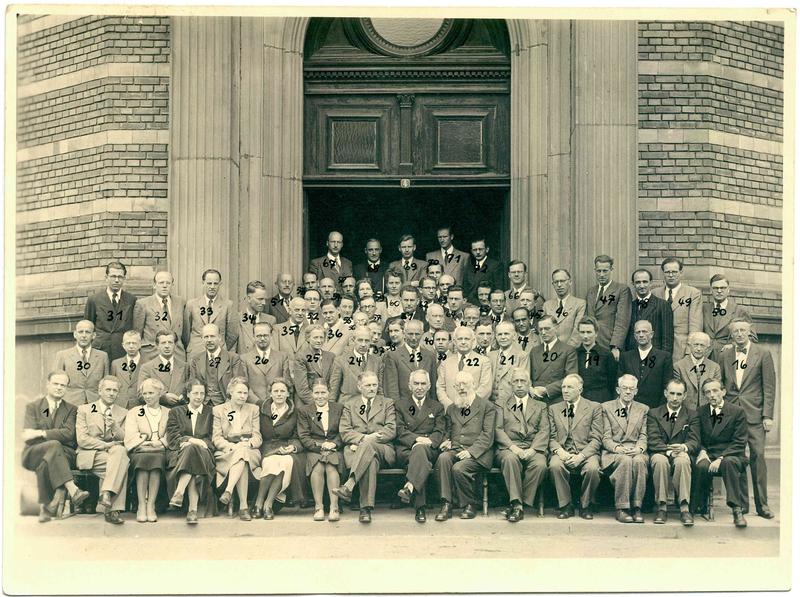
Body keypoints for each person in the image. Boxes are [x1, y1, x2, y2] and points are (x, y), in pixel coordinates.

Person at [720, 318, 776, 519]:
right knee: (737, 458)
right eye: (736, 331)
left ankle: (763, 505)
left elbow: (769, 387)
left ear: (749, 332)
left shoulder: (763, 353)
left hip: (755, 414)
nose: (740, 334)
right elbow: (721, 384)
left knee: (758, 457)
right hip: (732, 415)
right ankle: (742, 505)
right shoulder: (725, 355)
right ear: (732, 334)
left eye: (743, 330)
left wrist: (767, 415)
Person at [21, 372, 90, 522]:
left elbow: (69, 434)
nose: (59, 388)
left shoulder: (72, 409)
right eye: (56, 384)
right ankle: (73, 489)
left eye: (63, 385)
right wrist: (51, 435)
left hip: (64, 454)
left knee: (47, 461)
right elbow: (28, 436)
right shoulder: (33, 407)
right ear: (48, 384)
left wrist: (40, 433)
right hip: (34, 452)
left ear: (66, 388)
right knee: (54, 445)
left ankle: (48, 507)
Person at [334, 371, 397, 523]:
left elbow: (391, 429)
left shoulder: (387, 403)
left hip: (383, 449)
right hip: (359, 452)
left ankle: (349, 484)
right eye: (368, 385)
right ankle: (365, 509)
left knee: (369, 449)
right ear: (359, 386)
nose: (372, 388)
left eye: (374, 385)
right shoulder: (350, 405)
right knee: (370, 461)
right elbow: (345, 431)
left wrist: (366, 441)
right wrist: (364, 439)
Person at [434, 372, 496, 521]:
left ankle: (470, 504)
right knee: (442, 459)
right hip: (456, 449)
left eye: (465, 384)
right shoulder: (452, 408)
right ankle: (446, 503)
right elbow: (447, 431)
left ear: (473, 385)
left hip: (479, 453)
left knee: (459, 468)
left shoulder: (487, 406)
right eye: (458, 385)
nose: (461, 388)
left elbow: (488, 436)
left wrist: (471, 452)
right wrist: (446, 440)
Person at [690, 379, 749, 527]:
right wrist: (702, 451)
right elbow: (697, 437)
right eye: (708, 392)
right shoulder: (700, 412)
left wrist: (722, 458)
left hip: (732, 454)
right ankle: (696, 506)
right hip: (708, 453)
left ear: (723, 391)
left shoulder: (737, 411)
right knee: (701, 465)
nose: (712, 395)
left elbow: (739, 441)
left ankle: (737, 510)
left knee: (729, 464)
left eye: (715, 391)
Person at [495, 368, 549, 522]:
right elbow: (497, 429)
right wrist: (514, 448)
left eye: (523, 381)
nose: (519, 385)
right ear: (511, 384)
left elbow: (544, 430)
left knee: (540, 465)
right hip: (509, 447)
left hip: (533, 447)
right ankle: (517, 505)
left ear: (529, 384)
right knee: (510, 460)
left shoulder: (540, 406)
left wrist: (532, 450)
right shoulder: (501, 404)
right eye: (516, 381)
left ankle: (519, 503)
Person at [75, 376, 129, 524]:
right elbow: (82, 439)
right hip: (90, 455)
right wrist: (105, 445)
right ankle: (113, 510)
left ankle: (105, 494)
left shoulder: (123, 412)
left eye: (115, 390)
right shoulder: (84, 409)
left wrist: (114, 427)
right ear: (99, 391)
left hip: (114, 454)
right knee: (121, 465)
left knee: (120, 453)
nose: (111, 393)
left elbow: (126, 439)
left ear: (118, 393)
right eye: (108, 389)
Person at [547, 374, 602, 519]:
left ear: (580, 389)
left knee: (592, 469)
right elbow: (550, 437)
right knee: (555, 466)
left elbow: (597, 439)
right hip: (562, 451)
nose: (565, 390)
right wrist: (560, 451)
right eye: (563, 387)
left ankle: (585, 505)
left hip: (586, 453)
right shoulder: (554, 409)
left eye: (569, 387)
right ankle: (566, 505)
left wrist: (581, 456)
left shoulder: (594, 407)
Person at [395, 369, 446, 523]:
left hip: (430, 448)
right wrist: (417, 440)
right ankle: (419, 505)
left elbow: (439, 431)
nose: (419, 387)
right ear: (409, 385)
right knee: (419, 454)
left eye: (423, 383)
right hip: (406, 448)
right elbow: (399, 430)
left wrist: (429, 442)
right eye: (416, 383)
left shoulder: (436, 407)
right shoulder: (400, 404)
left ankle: (412, 490)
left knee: (420, 454)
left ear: (429, 386)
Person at [647, 379, 699, 526]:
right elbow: (653, 440)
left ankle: (684, 507)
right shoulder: (654, 413)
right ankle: (661, 507)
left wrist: (684, 448)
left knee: (683, 460)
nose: (675, 398)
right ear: (665, 394)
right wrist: (669, 451)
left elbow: (694, 440)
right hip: (661, 452)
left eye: (679, 394)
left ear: (684, 396)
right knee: (659, 461)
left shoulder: (692, 415)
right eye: (672, 393)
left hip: (681, 452)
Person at [253, 378, 305, 520]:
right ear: (270, 393)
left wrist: (292, 447)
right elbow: (254, 430)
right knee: (271, 462)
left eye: (283, 391)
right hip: (267, 447)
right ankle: (259, 501)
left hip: (285, 447)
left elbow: (299, 436)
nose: (279, 394)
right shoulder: (260, 407)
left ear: (288, 393)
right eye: (275, 391)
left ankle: (267, 504)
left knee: (286, 462)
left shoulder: (295, 412)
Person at [165, 379, 216, 523]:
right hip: (180, 453)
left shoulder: (210, 412)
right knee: (192, 452)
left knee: (193, 451)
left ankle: (179, 492)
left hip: (205, 453)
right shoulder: (176, 412)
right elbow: (173, 437)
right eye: (195, 393)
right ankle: (192, 511)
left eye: (202, 393)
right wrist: (193, 440)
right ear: (188, 394)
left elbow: (213, 437)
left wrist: (198, 443)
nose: (199, 396)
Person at [601, 374, 650, 523]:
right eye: (624, 388)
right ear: (618, 390)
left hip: (635, 450)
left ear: (636, 391)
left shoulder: (643, 409)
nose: (628, 392)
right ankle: (622, 508)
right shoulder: (606, 407)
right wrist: (617, 448)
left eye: (631, 389)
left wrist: (640, 448)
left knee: (639, 461)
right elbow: (605, 437)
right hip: (614, 452)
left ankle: (637, 507)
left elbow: (643, 435)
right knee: (626, 461)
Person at [212, 377, 262, 521]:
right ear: (230, 392)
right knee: (242, 457)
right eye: (239, 392)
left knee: (243, 453)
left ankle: (229, 490)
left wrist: (247, 444)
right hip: (227, 452)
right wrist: (232, 446)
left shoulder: (253, 409)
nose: (242, 396)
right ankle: (243, 507)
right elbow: (216, 438)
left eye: (245, 393)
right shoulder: (219, 410)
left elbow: (257, 437)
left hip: (250, 451)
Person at [297, 380, 344, 522]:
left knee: (331, 467)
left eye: (323, 392)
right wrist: (319, 447)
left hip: (334, 448)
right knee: (317, 466)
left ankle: (334, 507)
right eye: (316, 393)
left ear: (329, 393)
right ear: (312, 394)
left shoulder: (339, 408)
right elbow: (303, 435)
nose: (320, 396)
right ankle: (319, 507)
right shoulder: (305, 411)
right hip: (314, 448)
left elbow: (343, 431)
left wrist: (334, 444)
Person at [124, 378, 170, 522]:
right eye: (145, 393)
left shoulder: (169, 412)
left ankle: (151, 505)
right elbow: (130, 435)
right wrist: (144, 443)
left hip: (161, 451)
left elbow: (171, 434)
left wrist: (161, 443)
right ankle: (141, 505)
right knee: (144, 459)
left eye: (151, 392)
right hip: (140, 451)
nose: (148, 396)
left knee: (156, 459)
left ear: (160, 393)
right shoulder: (135, 412)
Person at [84, 261, 137, 361]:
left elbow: (133, 327)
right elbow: (88, 326)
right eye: (113, 276)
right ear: (106, 278)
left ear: (124, 279)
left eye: (120, 277)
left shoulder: (131, 300)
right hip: (100, 349)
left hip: (122, 350)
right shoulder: (94, 300)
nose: (116, 280)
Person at [654, 257, 703, 362]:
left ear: (681, 273)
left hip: (680, 349)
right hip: (658, 348)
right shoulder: (655, 293)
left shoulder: (693, 293)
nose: (671, 275)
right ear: (663, 273)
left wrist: (689, 351)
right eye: (667, 272)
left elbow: (695, 326)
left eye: (674, 272)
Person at [133, 270, 186, 363]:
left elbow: (186, 333)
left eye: (168, 283)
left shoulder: (180, 302)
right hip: (152, 355)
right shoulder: (143, 304)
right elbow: (137, 333)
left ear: (172, 285)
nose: (165, 286)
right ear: (154, 285)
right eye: (161, 282)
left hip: (177, 354)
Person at [53, 319, 110, 407]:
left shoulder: (102, 356)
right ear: (75, 334)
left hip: (95, 405)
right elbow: (56, 384)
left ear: (93, 335)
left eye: (87, 332)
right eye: (80, 332)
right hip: (70, 404)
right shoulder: (63, 355)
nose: (84, 335)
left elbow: (106, 384)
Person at [702, 274, 758, 361]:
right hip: (706, 358)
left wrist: (734, 345)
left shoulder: (740, 311)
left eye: (723, 288)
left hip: (729, 358)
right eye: (716, 288)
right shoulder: (703, 309)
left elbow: (752, 337)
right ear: (710, 290)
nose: (719, 291)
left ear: (728, 290)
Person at [585, 254, 632, 359]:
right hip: (592, 345)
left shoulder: (621, 290)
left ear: (611, 270)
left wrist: (616, 346)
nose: (601, 275)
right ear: (595, 270)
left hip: (609, 345)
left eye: (605, 271)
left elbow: (622, 321)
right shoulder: (591, 292)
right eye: (598, 271)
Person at [183, 268, 238, 357]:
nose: (212, 287)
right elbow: (185, 333)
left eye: (215, 283)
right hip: (196, 352)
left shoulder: (228, 305)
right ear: (203, 283)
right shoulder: (192, 304)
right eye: (209, 283)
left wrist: (220, 345)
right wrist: (194, 346)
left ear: (220, 284)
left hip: (219, 352)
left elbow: (232, 334)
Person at [188, 324, 246, 407]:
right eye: (206, 337)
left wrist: (229, 404)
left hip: (226, 403)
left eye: (212, 336)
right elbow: (192, 384)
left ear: (220, 338)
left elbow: (239, 384)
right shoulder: (196, 359)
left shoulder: (233, 358)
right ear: (202, 339)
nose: (209, 340)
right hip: (202, 404)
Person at [618, 320, 672, 409]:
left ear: (652, 334)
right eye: (638, 332)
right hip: (629, 408)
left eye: (644, 331)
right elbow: (618, 384)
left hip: (654, 409)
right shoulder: (626, 357)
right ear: (635, 336)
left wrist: (659, 410)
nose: (641, 335)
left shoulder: (664, 357)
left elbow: (667, 386)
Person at [435, 326, 492, 409]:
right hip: (450, 412)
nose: (463, 342)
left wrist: (470, 405)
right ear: (454, 341)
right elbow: (440, 388)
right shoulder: (445, 363)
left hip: (474, 411)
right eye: (460, 339)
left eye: (467, 339)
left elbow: (485, 389)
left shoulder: (483, 361)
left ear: (473, 341)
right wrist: (450, 406)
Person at [382, 319, 438, 403]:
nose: (414, 338)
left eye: (417, 334)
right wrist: (398, 410)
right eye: (410, 334)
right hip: (403, 409)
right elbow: (392, 390)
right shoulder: (393, 356)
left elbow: (433, 388)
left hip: (426, 409)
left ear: (422, 334)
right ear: (404, 333)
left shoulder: (430, 356)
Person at [529, 316, 578, 405]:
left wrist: (546, 390)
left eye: (547, 329)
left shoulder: (568, 350)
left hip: (557, 401)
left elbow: (571, 378)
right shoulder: (534, 351)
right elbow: (528, 375)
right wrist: (530, 389)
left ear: (556, 328)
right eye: (541, 329)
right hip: (535, 401)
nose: (543, 332)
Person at [240, 322, 293, 404]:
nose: (262, 339)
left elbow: (286, 383)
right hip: (254, 405)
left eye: (265, 335)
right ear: (253, 337)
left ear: (271, 335)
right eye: (258, 336)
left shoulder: (282, 357)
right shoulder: (244, 358)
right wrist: (258, 402)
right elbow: (244, 385)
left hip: (277, 404)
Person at [329, 326, 383, 403]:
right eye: (360, 340)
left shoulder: (377, 361)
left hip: (369, 409)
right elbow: (333, 391)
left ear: (371, 341)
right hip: (347, 407)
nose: (363, 344)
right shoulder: (340, 361)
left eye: (367, 341)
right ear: (353, 340)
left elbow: (379, 390)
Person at [625, 269, 674, 354]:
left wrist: (663, 359)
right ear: (633, 284)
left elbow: (667, 338)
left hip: (655, 357)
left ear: (651, 283)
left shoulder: (663, 305)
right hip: (632, 356)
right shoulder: (630, 306)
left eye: (645, 282)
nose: (642, 285)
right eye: (638, 282)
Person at [672, 332, 722, 411]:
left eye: (702, 345)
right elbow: (677, 392)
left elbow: (717, 392)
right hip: (685, 411)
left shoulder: (714, 367)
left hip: (708, 411)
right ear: (689, 346)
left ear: (707, 348)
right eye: (696, 345)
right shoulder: (678, 366)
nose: (699, 349)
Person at [138, 330, 189, 407]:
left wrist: (184, 397)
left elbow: (191, 389)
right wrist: (163, 398)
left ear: (175, 345)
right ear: (157, 345)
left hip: (180, 412)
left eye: (170, 342)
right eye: (163, 343)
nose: (167, 346)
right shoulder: (147, 368)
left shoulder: (185, 366)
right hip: (157, 413)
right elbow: (140, 395)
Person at [575, 317, 617, 403]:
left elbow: (612, 381)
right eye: (582, 332)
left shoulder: (606, 355)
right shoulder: (574, 354)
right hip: (579, 398)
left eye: (589, 332)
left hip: (601, 398)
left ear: (596, 333)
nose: (585, 336)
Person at [293, 324, 335, 406]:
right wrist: (318, 404)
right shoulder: (301, 357)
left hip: (327, 402)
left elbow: (333, 384)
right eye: (315, 337)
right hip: (307, 404)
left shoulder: (331, 356)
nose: (319, 340)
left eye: (321, 337)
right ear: (308, 338)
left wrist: (328, 403)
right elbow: (302, 389)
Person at [543, 269, 586, 348]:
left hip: (570, 352)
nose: (559, 285)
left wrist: (566, 352)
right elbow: (543, 330)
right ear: (553, 284)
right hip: (550, 353)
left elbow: (577, 331)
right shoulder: (547, 305)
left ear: (570, 282)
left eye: (562, 281)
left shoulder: (580, 304)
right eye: (556, 282)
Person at [488, 321, 530, 403]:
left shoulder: (522, 356)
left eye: (506, 334)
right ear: (495, 336)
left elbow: (522, 382)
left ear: (514, 336)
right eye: (499, 334)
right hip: (490, 403)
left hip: (510, 403)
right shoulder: (490, 356)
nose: (503, 337)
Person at [236, 280, 278, 355]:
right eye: (260, 299)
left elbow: (273, 349)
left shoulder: (271, 320)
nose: (264, 303)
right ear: (249, 298)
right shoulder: (237, 319)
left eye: (264, 299)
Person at [463, 238, 504, 305]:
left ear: (487, 249)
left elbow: (498, 289)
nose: (478, 252)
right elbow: (465, 289)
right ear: (471, 251)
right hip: (470, 306)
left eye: (480, 249)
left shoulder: (495, 266)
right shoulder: (468, 266)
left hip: (487, 305)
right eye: (475, 250)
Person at [110, 330, 143, 408]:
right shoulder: (116, 364)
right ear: (123, 345)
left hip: (140, 405)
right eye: (128, 343)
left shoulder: (147, 364)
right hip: (120, 406)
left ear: (140, 345)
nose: (131, 346)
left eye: (134, 343)